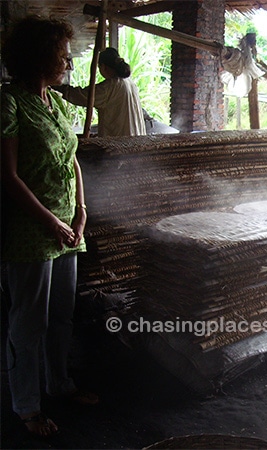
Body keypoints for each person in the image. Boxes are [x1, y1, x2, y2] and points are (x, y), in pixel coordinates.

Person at [1, 15, 99, 437]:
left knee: (62, 316)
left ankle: (59, 383)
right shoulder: (8, 102)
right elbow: (7, 176)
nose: (68, 63)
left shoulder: (56, 103)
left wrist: (80, 210)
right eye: (62, 55)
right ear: (38, 57)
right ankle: (26, 406)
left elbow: (72, 158)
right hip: (30, 230)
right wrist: (53, 221)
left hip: (66, 227)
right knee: (29, 322)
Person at [56, 47, 146, 137]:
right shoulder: (129, 82)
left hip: (120, 145)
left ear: (103, 66)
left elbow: (82, 96)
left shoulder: (109, 87)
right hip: (135, 141)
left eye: (99, 67)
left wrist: (60, 88)